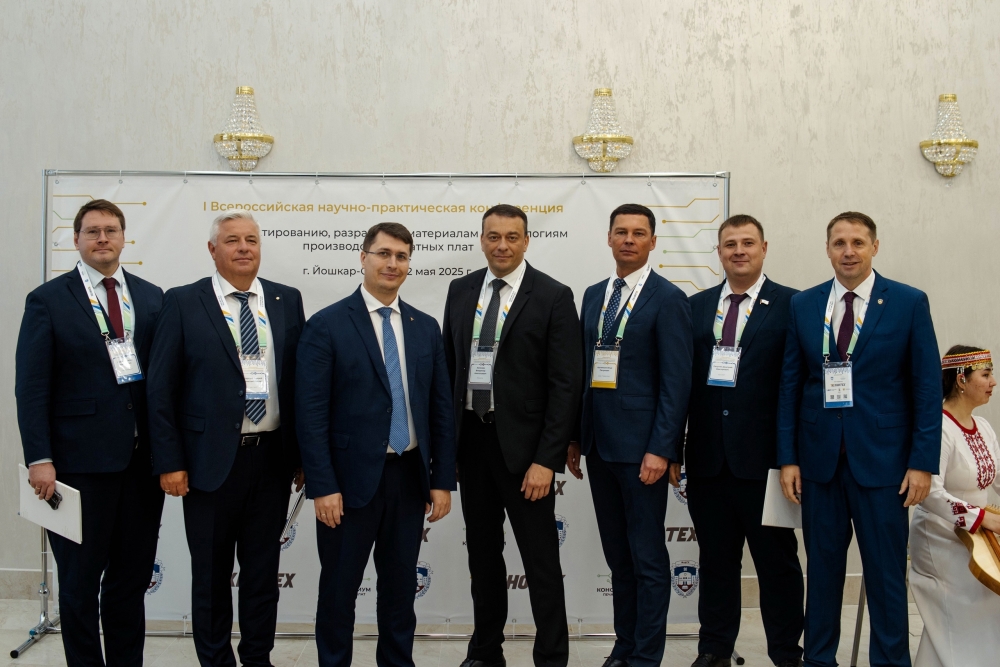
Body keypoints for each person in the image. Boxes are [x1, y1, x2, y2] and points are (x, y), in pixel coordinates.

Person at [777, 211, 941, 667]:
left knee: (886, 577)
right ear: (828, 249)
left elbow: (927, 388)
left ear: (875, 247)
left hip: (886, 466)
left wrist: (922, 462)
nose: (848, 252)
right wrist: (788, 458)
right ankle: (819, 660)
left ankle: (890, 661)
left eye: (857, 243)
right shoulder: (804, 304)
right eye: (839, 243)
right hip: (819, 464)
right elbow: (790, 385)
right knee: (822, 575)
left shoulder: (908, 302)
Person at [147, 211, 306, 667]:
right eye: (232, 240)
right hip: (207, 463)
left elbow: (299, 384)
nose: (243, 248)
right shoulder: (183, 301)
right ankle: (215, 661)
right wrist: (169, 461)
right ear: (212, 249)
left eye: (251, 240)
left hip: (271, 460)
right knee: (212, 576)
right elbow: (161, 388)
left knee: (262, 574)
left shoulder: (286, 299)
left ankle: (258, 658)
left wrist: (302, 456)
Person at [296, 222, 456, 667]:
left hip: (408, 477)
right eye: (384, 253)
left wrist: (442, 479)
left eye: (401, 256)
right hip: (347, 485)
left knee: (400, 590)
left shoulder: (425, 327)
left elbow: (440, 410)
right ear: (363, 258)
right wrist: (323, 486)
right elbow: (310, 415)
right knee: (339, 591)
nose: (392, 263)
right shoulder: (327, 324)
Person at [15, 199, 164, 667]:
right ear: (76, 239)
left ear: (123, 237)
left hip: (140, 467)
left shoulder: (152, 297)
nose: (103, 238)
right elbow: (31, 387)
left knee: (130, 581)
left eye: (111, 230)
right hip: (77, 468)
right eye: (93, 231)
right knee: (79, 584)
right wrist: (39, 458)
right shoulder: (48, 300)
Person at [442, 204, 582, 667]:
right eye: (493, 236)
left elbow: (566, 384)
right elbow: (449, 370)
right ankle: (485, 651)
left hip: (527, 454)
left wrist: (546, 459)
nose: (502, 245)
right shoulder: (461, 290)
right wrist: (448, 449)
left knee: (541, 562)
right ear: (482, 239)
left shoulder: (553, 295)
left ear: (526, 241)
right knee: (483, 557)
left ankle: (551, 657)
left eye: (512, 237)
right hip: (472, 445)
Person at [565, 203, 692, 667]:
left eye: (639, 233)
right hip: (599, 446)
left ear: (653, 242)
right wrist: (575, 437)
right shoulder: (594, 294)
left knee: (648, 559)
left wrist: (662, 448)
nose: (629, 240)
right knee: (619, 558)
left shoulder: (668, 298)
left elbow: (676, 383)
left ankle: (646, 656)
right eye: (621, 232)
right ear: (609, 238)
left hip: (643, 452)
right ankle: (624, 646)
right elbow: (583, 371)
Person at [682, 215, 803, 667]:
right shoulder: (695, 307)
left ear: (764, 248)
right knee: (715, 562)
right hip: (708, 460)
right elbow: (680, 385)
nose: (739, 251)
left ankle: (787, 653)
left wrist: (792, 457)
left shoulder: (793, 305)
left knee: (777, 565)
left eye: (748, 243)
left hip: (768, 464)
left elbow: (796, 385)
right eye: (730, 243)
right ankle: (713, 649)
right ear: (719, 252)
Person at [910, 346, 1000, 667]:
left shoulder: (983, 426)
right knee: (975, 596)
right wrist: (982, 519)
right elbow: (930, 493)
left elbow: (997, 478)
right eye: (985, 375)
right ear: (961, 380)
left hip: (978, 535)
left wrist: (985, 522)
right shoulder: (938, 427)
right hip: (940, 535)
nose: (993, 382)